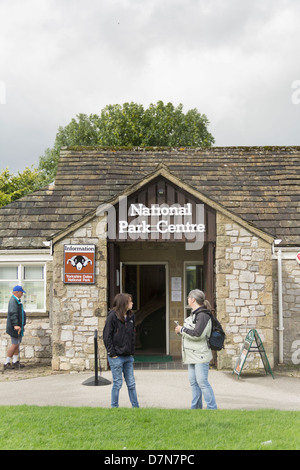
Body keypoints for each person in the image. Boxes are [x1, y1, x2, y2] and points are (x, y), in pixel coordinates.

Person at [175, 289, 217, 410]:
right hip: (192, 355)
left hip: (200, 355)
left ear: (193, 299)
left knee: (202, 383)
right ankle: (196, 409)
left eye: (188, 297)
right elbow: (191, 333)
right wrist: (180, 331)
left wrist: (182, 329)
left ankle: (212, 408)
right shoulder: (195, 314)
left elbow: (198, 334)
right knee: (194, 383)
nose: (187, 299)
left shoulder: (203, 315)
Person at [103, 293, 139, 408]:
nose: (132, 303)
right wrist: (112, 354)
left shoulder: (131, 316)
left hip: (128, 356)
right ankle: (114, 407)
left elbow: (132, 335)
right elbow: (106, 336)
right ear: (124, 303)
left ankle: (136, 407)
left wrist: (131, 351)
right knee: (118, 384)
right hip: (116, 357)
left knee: (131, 384)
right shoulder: (112, 316)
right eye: (130, 301)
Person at [3, 285, 27, 370]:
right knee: (15, 344)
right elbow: (13, 313)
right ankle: (6, 363)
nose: (22, 294)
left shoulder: (16, 300)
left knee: (17, 344)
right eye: (21, 293)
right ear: (16, 292)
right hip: (14, 327)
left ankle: (15, 362)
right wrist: (15, 325)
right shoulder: (13, 301)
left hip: (18, 326)